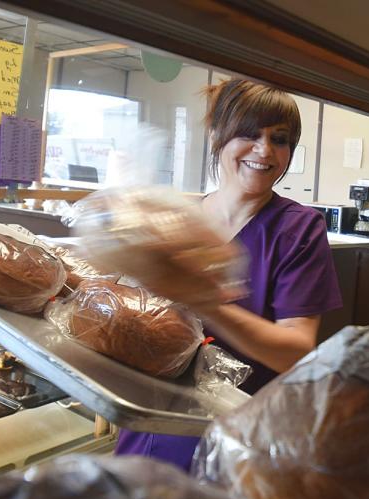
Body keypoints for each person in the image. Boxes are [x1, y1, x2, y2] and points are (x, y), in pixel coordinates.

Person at [115, 79, 343, 470]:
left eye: (280, 139)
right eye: (249, 134)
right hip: (148, 417)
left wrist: (204, 300)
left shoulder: (298, 230)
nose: (265, 150)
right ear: (217, 135)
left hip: (236, 437)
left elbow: (297, 349)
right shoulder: (177, 220)